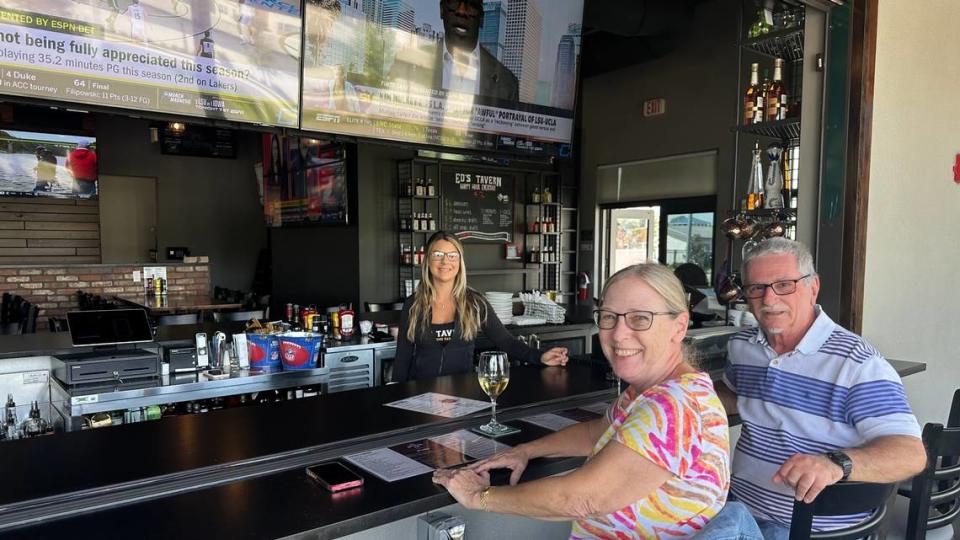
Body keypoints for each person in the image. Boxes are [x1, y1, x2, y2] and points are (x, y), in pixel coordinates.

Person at [433, 263, 731, 537]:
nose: (618, 334)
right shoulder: (648, 392)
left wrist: (478, 497)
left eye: (640, 318)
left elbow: (583, 498)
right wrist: (526, 451)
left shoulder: (674, 407)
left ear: (679, 326)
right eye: (610, 317)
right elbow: (596, 432)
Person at [716, 237, 925, 538]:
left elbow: (910, 454)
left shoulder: (856, 363)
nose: (769, 300)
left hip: (810, 528)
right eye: (756, 288)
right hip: (739, 509)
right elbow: (736, 396)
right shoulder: (743, 346)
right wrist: (679, 395)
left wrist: (835, 464)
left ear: (813, 286)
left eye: (784, 285)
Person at [392, 232, 568, 382]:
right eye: (437, 254)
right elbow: (402, 358)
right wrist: (396, 397)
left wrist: (539, 356)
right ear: (427, 261)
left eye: (452, 255)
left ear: (460, 262)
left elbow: (505, 341)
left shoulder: (475, 302)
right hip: (420, 398)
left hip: (463, 398)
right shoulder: (413, 304)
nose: (445, 261)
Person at [387, 0, 519, 101]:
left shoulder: (507, 83)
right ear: (442, 10)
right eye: (454, 2)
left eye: (471, 4)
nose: (462, 11)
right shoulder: (406, 64)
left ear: (481, 18)